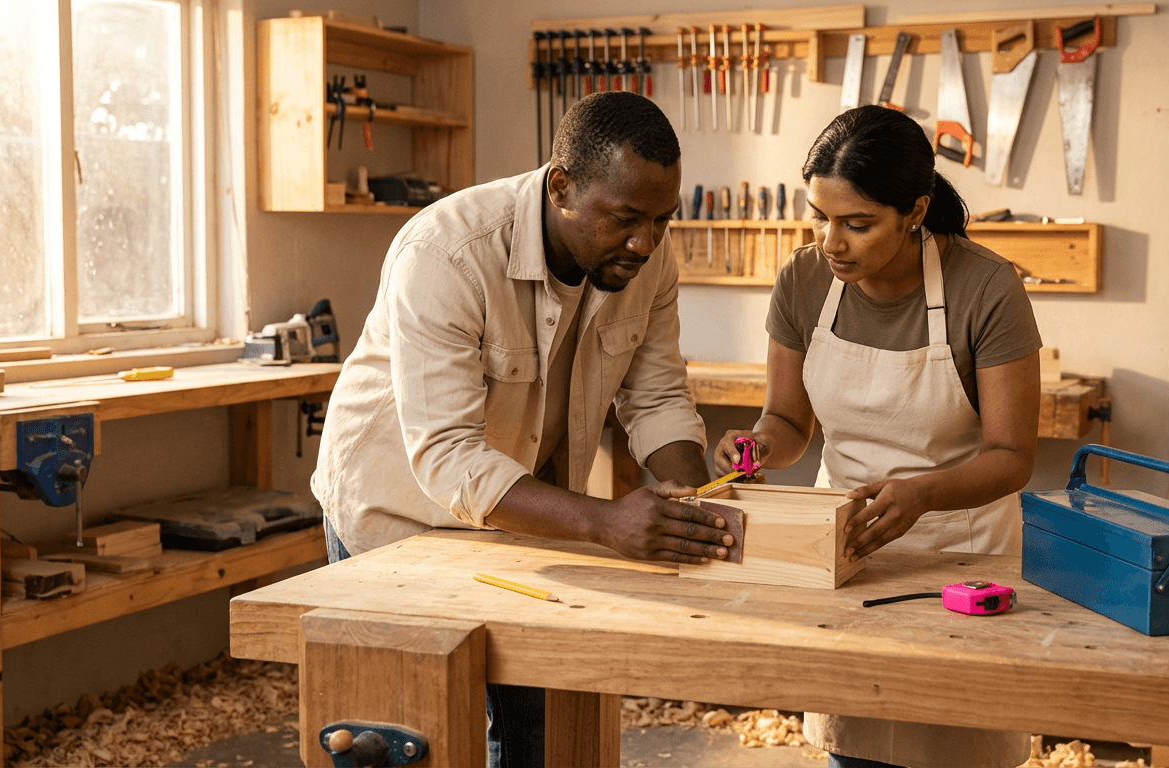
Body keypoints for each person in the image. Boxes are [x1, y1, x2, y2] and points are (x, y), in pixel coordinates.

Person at [313, 91, 734, 768]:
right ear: (561, 186)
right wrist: (604, 523)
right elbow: (448, 457)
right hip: (397, 516)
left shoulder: (647, 257)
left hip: (521, 516)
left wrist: (703, 500)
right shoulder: (446, 252)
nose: (646, 242)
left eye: (663, 220)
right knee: (411, 739)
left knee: (544, 727)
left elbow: (655, 396)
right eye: (626, 219)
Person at [713, 105, 1042, 768]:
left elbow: (1012, 458)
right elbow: (790, 421)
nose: (832, 242)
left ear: (915, 211)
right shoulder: (804, 280)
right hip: (847, 551)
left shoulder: (987, 287)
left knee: (959, 746)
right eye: (820, 217)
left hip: (962, 556)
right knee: (855, 746)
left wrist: (922, 494)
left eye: (857, 224)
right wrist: (757, 446)